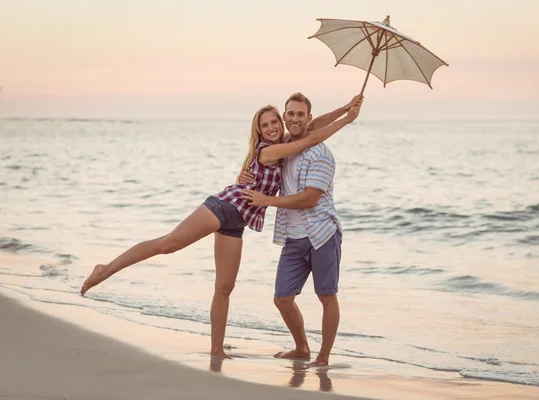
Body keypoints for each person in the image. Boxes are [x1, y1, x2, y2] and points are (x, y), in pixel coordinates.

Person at [79, 98, 361, 359]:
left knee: (224, 287)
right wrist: (348, 121)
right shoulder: (271, 150)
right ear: (259, 132)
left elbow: (312, 126)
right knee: (168, 244)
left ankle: (217, 350)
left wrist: (345, 107)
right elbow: (311, 137)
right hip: (224, 207)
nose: (272, 127)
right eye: (266, 125)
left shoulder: (285, 140)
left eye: (275, 122)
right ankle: (105, 269)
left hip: (237, 222)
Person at [241, 92, 362, 368]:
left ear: (307, 119)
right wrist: (344, 108)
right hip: (292, 237)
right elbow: (314, 125)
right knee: (282, 298)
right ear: (285, 117)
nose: (295, 119)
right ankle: (301, 347)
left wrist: (267, 201)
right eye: (290, 114)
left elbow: (309, 199)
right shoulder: (283, 143)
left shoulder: (321, 154)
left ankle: (323, 357)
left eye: (301, 115)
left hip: (322, 234)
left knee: (326, 296)